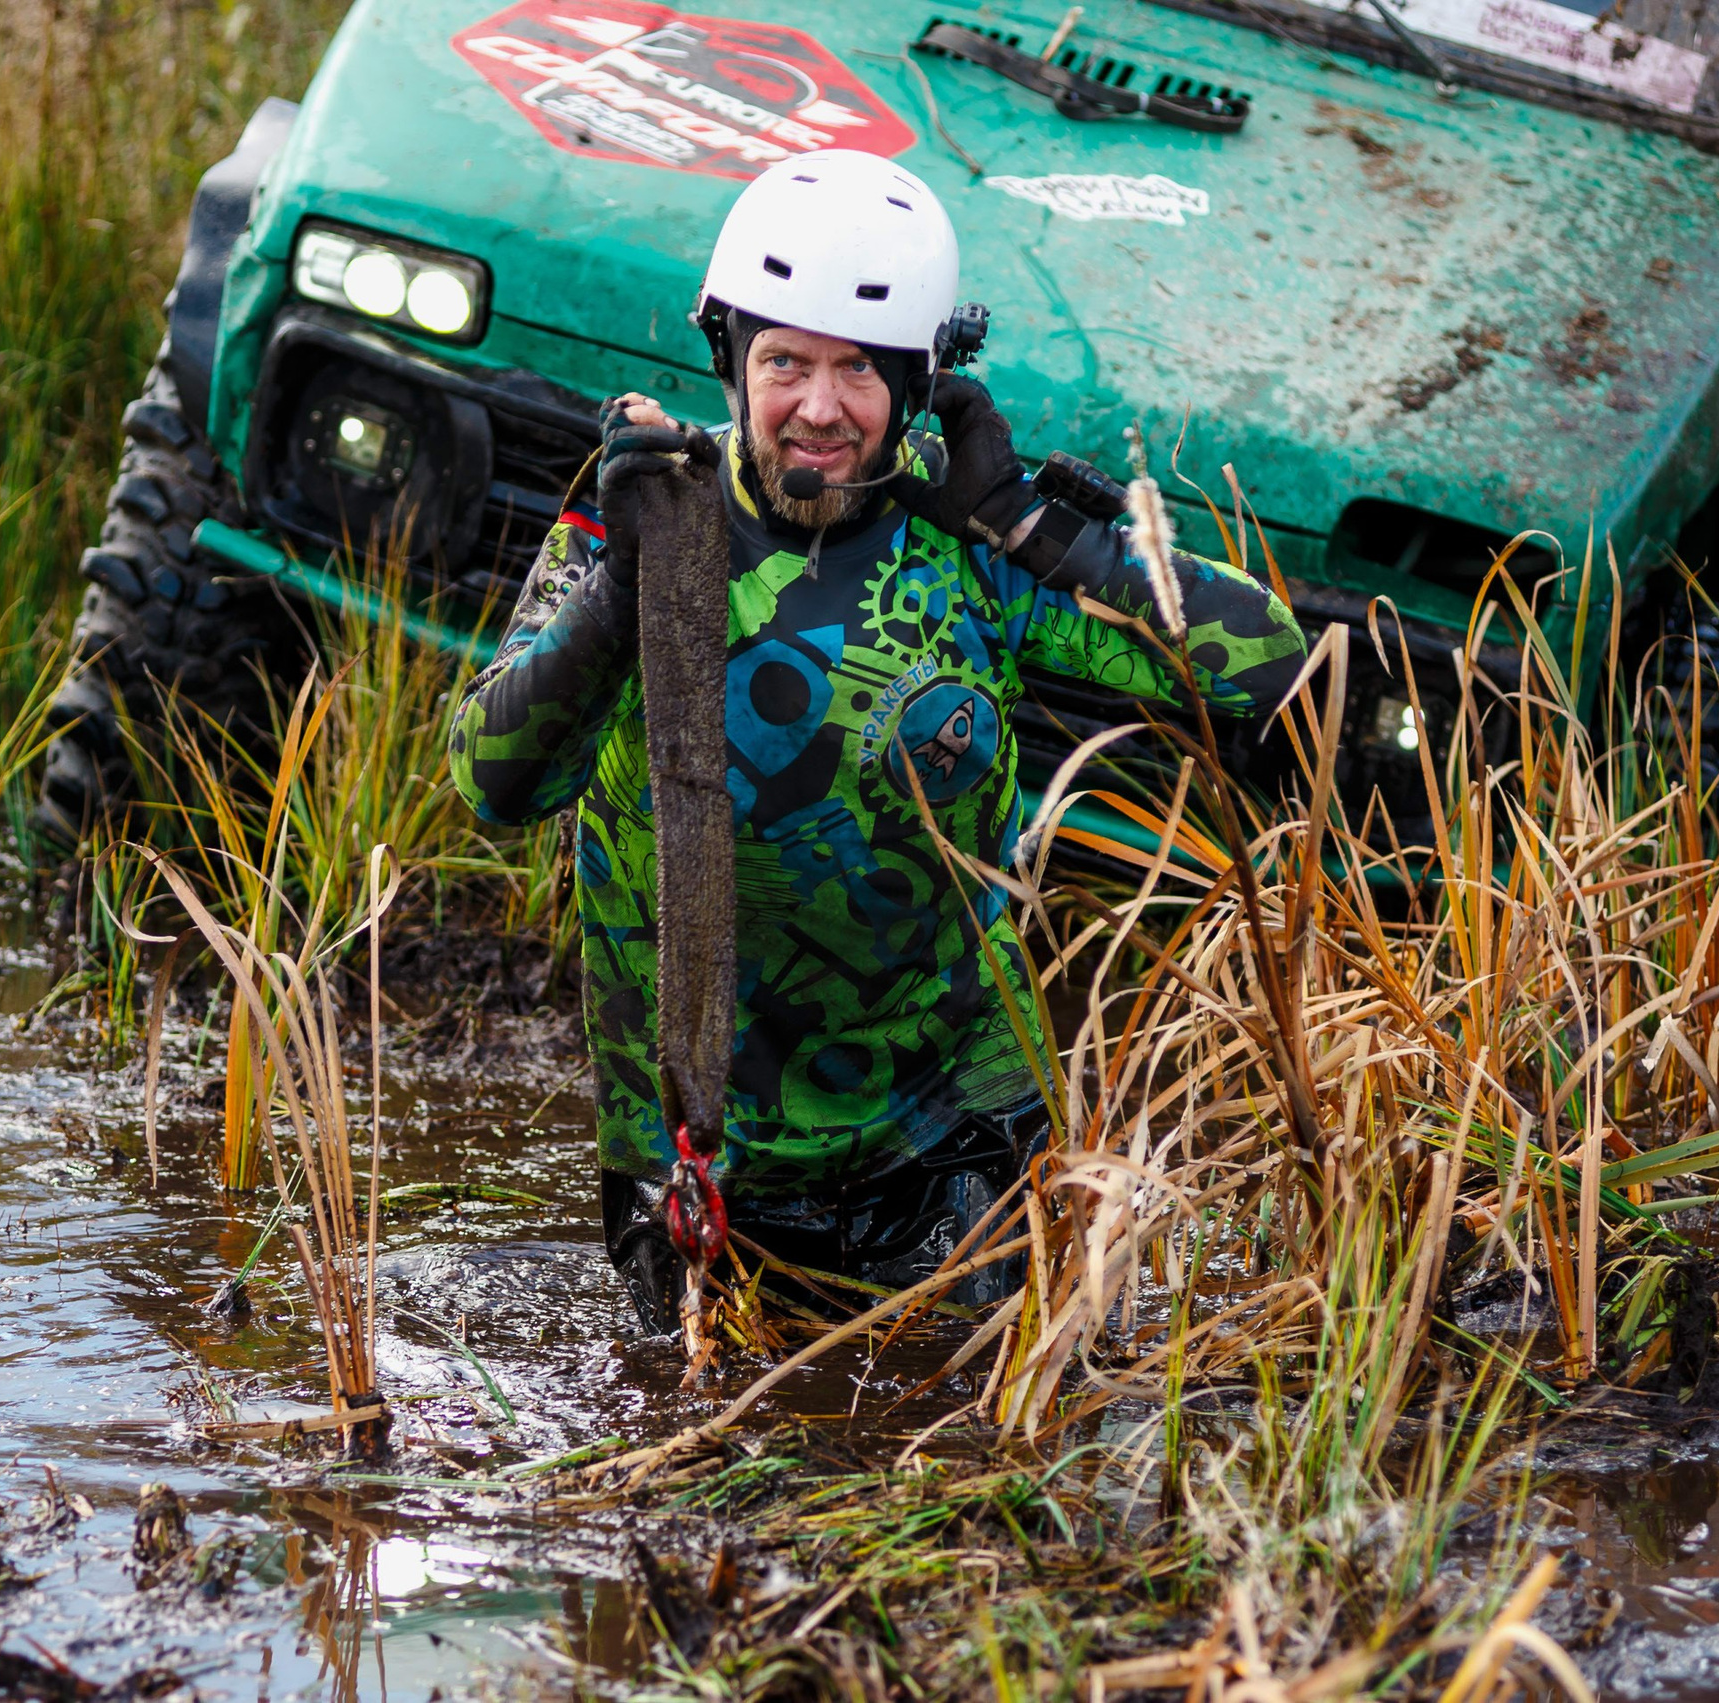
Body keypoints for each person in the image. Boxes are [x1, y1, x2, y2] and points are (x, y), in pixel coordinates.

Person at [448, 150, 1307, 1333]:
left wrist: (1027, 522)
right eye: (785, 362)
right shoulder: (642, 513)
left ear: (918, 383)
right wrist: (620, 589)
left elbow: (1264, 665)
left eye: (858, 369)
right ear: (729, 359)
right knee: (686, 1434)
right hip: (695, 1149)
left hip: (957, 1133)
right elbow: (494, 784)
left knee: (977, 1423)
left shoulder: (970, 535)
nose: (818, 408)